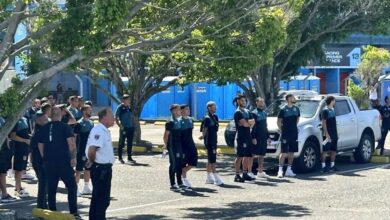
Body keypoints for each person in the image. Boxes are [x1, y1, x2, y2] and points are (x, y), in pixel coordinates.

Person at [37, 107, 80, 218]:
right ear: (61, 114)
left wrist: (44, 157)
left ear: (50, 115)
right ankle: (73, 212)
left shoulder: (44, 128)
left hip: (49, 162)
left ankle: (52, 211)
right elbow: (71, 143)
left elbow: (40, 144)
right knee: (72, 186)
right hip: (63, 162)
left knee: (51, 188)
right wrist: (73, 157)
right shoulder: (65, 127)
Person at [86, 108, 116, 220]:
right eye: (111, 115)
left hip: (104, 168)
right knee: (101, 200)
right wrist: (93, 162)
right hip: (100, 169)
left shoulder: (104, 130)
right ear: (104, 117)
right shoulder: (99, 130)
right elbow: (92, 149)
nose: (114, 118)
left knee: (99, 199)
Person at [31, 103, 52, 209]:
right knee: (43, 182)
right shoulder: (42, 122)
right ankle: (41, 205)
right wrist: (45, 158)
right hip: (40, 158)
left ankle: (43, 203)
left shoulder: (41, 125)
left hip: (39, 157)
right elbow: (40, 145)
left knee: (44, 182)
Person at [199, 101, 224, 186]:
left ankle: (209, 178)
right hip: (209, 141)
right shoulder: (206, 118)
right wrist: (203, 136)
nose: (215, 108)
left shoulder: (215, 117)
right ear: (209, 108)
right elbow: (204, 129)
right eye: (214, 106)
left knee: (210, 159)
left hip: (214, 140)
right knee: (213, 160)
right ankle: (217, 178)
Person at [233, 95, 256, 182]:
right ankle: (237, 175)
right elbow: (245, 124)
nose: (244, 102)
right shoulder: (238, 112)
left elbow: (253, 121)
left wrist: (248, 123)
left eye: (245, 101)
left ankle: (245, 173)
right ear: (238, 101)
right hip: (241, 137)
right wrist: (248, 123)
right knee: (240, 156)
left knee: (247, 156)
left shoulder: (247, 111)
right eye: (242, 101)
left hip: (248, 136)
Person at [277, 94, 300, 178]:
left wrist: (293, 128)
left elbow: (297, 119)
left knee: (292, 152)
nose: (294, 98)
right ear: (289, 99)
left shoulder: (296, 108)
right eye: (293, 97)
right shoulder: (283, 109)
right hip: (285, 133)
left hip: (294, 133)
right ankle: (280, 171)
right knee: (283, 152)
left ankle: (289, 170)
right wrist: (282, 130)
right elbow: (279, 121)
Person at [163, 104, 186, 191]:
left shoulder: (179, 120)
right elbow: (166, 135)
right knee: (173, 164)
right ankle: (172, 184)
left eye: (180, 109)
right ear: (173, 111)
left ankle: (180, 182)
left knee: (180, 163)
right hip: (172, 146)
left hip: (179, 145)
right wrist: (166, 146)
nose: (180, 111)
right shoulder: (170, 122)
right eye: (178, 109)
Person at [74, 105, 94, 196]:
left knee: (88, 168)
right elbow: (74, 138)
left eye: (91, 110)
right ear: (84, 111)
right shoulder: (79, 123)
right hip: (81, 150)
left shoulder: (91, 122)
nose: (91, 111)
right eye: (89, 110)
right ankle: (75, 188)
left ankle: (86, 187)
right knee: (78, 170)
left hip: (89, 150)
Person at [10, 116, 31, 198]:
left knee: (22, 168)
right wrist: (25, 140)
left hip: (25, 148)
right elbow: (13, 136)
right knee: (18, 168)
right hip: (18, 148)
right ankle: (17, 189)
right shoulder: (15, 119)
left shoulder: (25, 118)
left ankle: (19, 187)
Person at [251, 97, 271, 179]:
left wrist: (268, 136)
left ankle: (260, 171)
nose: (262, 103)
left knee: (262, 154)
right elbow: (253, 127)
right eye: (260, 101)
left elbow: (265, 126)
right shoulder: (254, 113)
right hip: (257, 137)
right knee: (252, 154)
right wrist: (253, 137)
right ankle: (249, 171)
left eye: (263, 101)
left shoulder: (264, 113)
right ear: (256, 102)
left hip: (263, 137)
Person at [180, 105, 198, 188]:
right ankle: (184, 179)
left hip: (191, 144)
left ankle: (180, 174)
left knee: (193, 162)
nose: (188, 110)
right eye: (187, 109)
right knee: (183, 164)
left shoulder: (191, 120)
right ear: (182, 111)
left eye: (189, 109)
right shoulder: (179, 121)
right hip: (183, 145)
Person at [0, 117, 17, 203]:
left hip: (3, 149)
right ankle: (4, 194)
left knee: (2, 172)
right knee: (2, 173)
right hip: (2, 150)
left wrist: (8, 147)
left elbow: (6, 135)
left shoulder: (2, 119)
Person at [115, 94, 136, 164]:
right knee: (121, 143)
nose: (129, 101)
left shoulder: (130, 107)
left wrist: (133, 126)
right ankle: (120, 157)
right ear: (124, 100)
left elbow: (132, 117)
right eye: (128, 99)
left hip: (130, 128)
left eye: (129, 99)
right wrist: (120, 125)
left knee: (130, 143)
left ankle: (129, 157)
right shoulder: (120, 107)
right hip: (124, 128)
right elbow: (116, 117)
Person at [321, 96, 339, 173]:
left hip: (334, 134)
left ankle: (332, 165)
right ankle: (323, 166)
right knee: (325, 151)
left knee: (334, 150)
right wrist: (327, 134)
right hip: (327, 134)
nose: (335, 102)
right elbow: (323, 123)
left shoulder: (333, 110)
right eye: (334, 100)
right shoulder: (325, 111)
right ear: (331, 101)